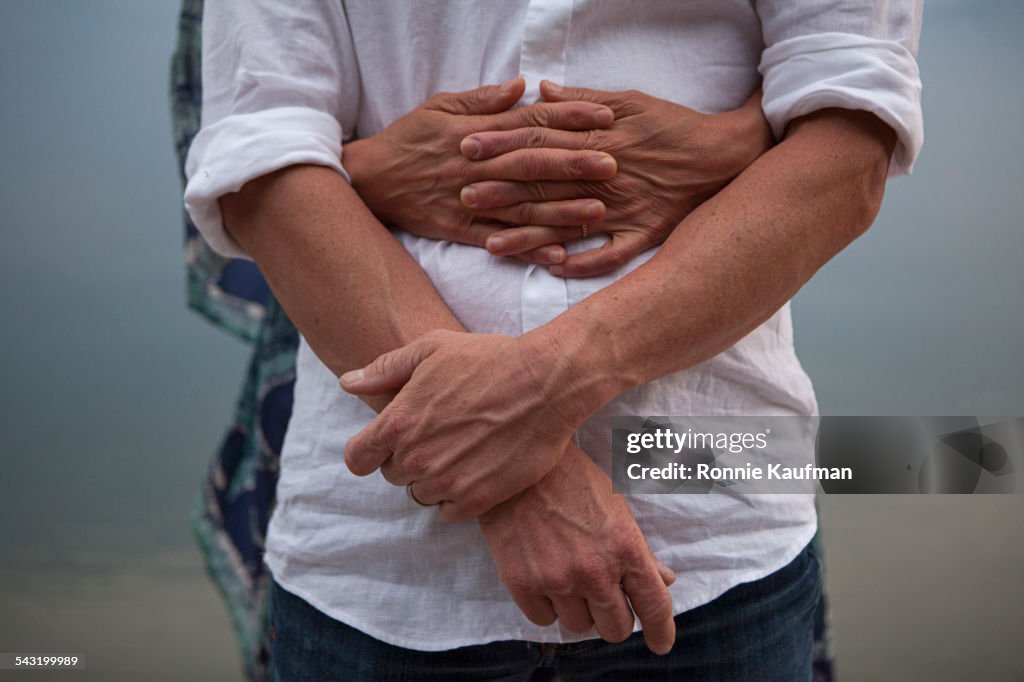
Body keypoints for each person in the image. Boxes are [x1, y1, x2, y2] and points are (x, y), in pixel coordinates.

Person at [184, 1, 922, 679]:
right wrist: (523, 484)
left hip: (707, 530)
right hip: (378, 563)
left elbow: (851, 131)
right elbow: (260, 157)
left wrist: (539, 389)